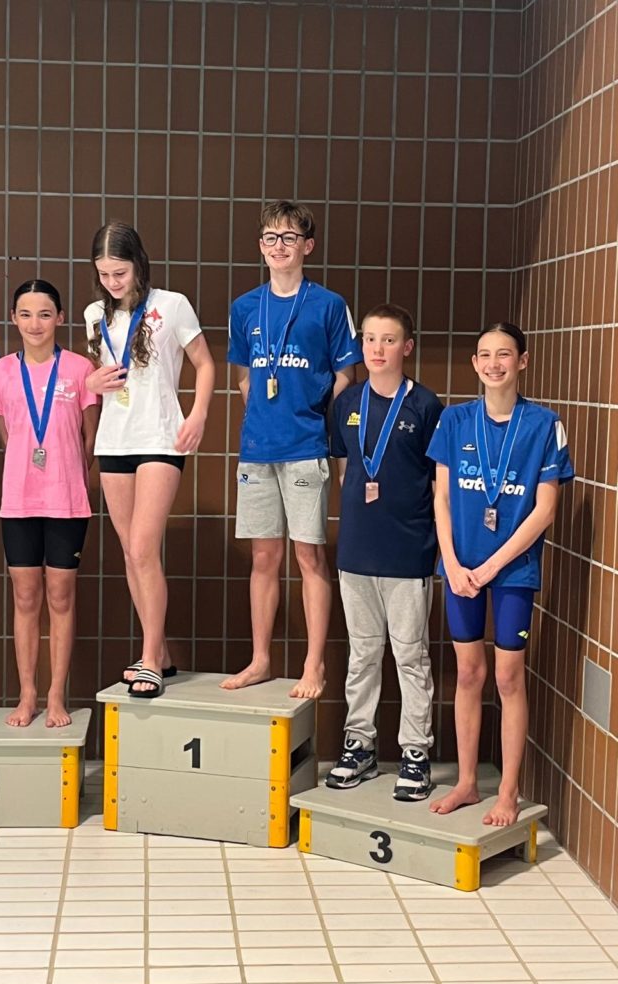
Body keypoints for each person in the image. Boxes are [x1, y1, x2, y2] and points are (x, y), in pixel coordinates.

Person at [427, 323, 573, 826]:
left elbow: (545, 510)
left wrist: (492, 565)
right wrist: (451, 562)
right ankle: (467, 783)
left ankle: (508, 792)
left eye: (504, 354)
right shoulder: (453, 420)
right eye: (485, 355)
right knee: (469, 672)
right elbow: (441, 498)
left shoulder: (544, 425)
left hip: (513, 570)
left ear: (523, 361)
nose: (494, 364)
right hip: (460, 568)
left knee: (509, 676)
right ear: (474, 363)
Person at [223, 200, 361, 699]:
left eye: (288, 237)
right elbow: (243, 376)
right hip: (258, 448)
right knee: (264, 556)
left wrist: (313, 413)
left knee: (309, 555)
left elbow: (346, 374)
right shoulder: (245, 307)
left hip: (306, 445)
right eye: (270, 237)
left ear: (308, 246)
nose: (278, 246)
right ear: (260, 246)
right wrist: (266, 412)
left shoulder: (328, 305)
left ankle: (313, 664)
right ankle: (261, 659)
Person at [84, 221, 214, 698]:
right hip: (114, 440)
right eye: (104, 274)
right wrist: (91, 383)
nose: (112, 282)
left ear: (138, 264)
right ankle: (160, 653)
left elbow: (205, 363)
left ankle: (150, 658)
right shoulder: (94, 314)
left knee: (143, 548)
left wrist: (198, 414)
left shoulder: (171, 304)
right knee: (130, 553)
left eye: (119, 272)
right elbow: (98, 377)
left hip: (160, 437)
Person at [325, 304, 443, 800]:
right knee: (363, 655)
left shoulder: (426, 406)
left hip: (408, 551)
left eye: (388, 340)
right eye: (370, 339)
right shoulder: (347, 402)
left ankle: (416, 753)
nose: (377, 349)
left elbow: (438, 484)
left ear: (406, 347)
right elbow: (345, 469)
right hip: (357, 550)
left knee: (411, 657)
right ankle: (360, 744)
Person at [0, 280, 99, 727]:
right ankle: (27, 694)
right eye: (26, 314)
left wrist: (64, 473)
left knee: (61, 597)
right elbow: (6, 435)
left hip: (67, 501)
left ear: (60, 318)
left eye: (45, 314)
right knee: (26, 597)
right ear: (14, 318)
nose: (35, 324)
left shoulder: (80, 369)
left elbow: (89, 438)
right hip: (19, 501)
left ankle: (55, 696)